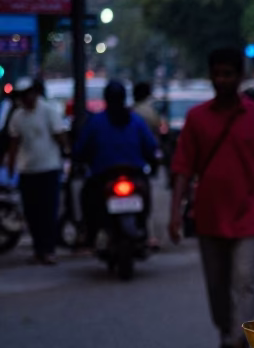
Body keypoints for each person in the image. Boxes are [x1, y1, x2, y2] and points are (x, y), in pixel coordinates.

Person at [168, 48, 254, 348]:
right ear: (211, 76)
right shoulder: (196, 118)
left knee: (245, 280)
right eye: (217, 74)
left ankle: (240, 347)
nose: (222, 80)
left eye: (228, 74)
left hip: (250, 212)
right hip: (209, 213)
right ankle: (225, 333)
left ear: (239, 76)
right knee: (217, 286)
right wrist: (175, 214)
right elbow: (182, 169)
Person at [73, 80, 160, 244]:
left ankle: (89, 234)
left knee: (87, 197)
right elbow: (151, 146)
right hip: (130, 173)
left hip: (104, 175)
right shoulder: (135, 121)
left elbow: (81, 149)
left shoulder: (96, 122)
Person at [5, 77, 67, 265]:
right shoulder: (18, 117)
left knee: (48, 211)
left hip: (48, 168)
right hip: (27, 170)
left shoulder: (48, 111)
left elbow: (59, 135)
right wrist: (11, 165)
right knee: (32, 213)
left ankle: (48, 249)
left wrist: (67, 153)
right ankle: (39, 249)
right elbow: (14, 143)